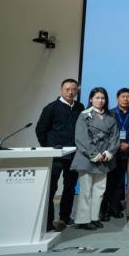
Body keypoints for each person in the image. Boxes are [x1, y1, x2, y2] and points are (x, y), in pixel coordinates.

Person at [35, 78, 85, 231]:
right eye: (67, 89)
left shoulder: (80, 107)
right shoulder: (51, 108)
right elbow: (40, 130)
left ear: (77, 91)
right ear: (61, 90)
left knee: (70, 187)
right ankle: (48, 221)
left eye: (74, 89)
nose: (70, 92)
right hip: (56, 155)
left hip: (73, 155)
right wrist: (49, 148)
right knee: (51, 188)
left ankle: (64, 217)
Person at [71, 87, 119, 230]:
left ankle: (94, 217)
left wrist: (108, 153)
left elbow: (115, 137)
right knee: (85, 191)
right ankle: (82, 220)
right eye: (97, 98)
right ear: (91, 99)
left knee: (99, 190)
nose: (100, 100)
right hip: (87, 157)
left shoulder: (110, 117)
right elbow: (81, 138)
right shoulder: (84, 115)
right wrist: (94, 154)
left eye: (103, 98)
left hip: (104, 158)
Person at [101, 87, 129, 221]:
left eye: (128, 97)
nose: (126, 99)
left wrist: (128, 144)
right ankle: (104, 210)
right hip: (112, 151)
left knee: (120, 182)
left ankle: (115, 207)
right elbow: (107, 132)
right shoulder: (110, 113)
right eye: (123, 97)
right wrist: (117, 144)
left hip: (128, 151)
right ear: (117, 98)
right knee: (109, 181)